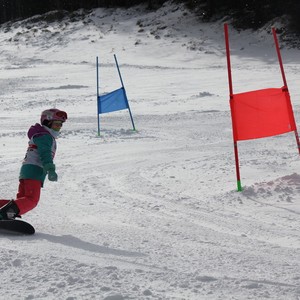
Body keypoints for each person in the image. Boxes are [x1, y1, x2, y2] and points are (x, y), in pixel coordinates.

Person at [0, 108, 68, 220]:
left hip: (27, 171)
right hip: (34, 171)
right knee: (31, 200)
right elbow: (45, 154)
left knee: (22, 199)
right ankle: (4, 214)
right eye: (56, 125)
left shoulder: (41, 135)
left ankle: (5, 211)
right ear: (47, 123)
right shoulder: (45, 136)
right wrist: (50, 169)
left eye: (60, 125)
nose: (59, 128)